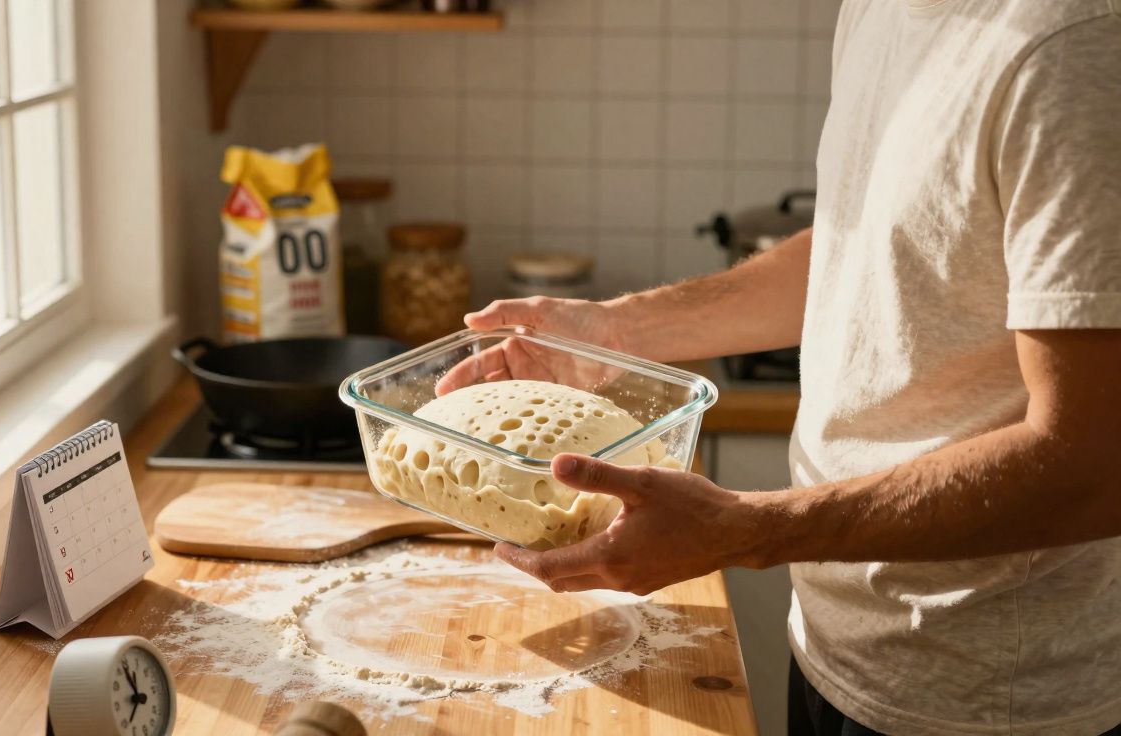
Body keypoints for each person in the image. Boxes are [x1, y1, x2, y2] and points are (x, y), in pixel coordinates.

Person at [446, 2, 1121, 734]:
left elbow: (1092, 462)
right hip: (837, 646)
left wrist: (746, 531)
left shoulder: (1071, 47)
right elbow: (867, 246)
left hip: (986, 699)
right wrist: (612, 329)